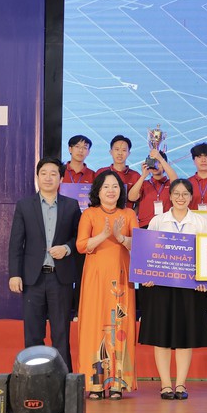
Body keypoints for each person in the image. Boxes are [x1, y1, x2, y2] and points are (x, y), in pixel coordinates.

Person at [138, 179, 207, 400]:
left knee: (185, 335)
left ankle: (180, 384)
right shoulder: (158, 221)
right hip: (161, 287)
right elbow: (148, 254)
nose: (181, 198)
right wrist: (146, 277)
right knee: (161, 335)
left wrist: (205, 279)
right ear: (170, 196)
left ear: (191, 197)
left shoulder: (200, 222)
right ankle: (165, 384)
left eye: (185, 194)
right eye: (176, 193)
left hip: (190, 287)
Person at [8, 158, 81, 371]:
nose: (48, 177)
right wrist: (14, 274)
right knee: (33, 333)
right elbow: (16, 242)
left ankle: (64, 380)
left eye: (53, 173)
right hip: (33, 278)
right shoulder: (24, 205)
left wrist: (66, 248)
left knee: (61, 333)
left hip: (61, 278)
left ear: (61, 178)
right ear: (37, 177)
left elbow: (79, 238)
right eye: (44, 173)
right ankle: (34, 378)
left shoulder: (71, 206)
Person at [76, 170, 139, 400]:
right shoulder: (89, 214)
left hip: (121, 278)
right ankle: (95, 383)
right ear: (98, 191)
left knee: (119, 325)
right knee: (95, 325)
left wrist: (120, 237)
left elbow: (138, 244)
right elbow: (81, 246)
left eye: (115, 186)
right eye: (106, 187)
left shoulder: (128, 214)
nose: (111, 191)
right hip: (95, 278)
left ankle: (117, 383)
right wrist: (104, 234)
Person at [61, 134, 95, 320]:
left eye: (85, 147)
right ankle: (61, 311)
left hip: (86, 227)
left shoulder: (93, 175)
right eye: (77, 147)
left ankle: (79, 311)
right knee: (63, 271)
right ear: (70, 149)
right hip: (62, 225)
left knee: (82, 272)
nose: (81, 150)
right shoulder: (60, 172)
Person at [128, 149, 178, 228]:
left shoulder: (170, 183)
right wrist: (143, 175)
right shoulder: (144, 184)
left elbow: (176, 181)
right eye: (153, 162)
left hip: (166, 225)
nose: (156, 164)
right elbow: (131, 197)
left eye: (158, 162)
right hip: (145, 226)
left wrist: (160, 158)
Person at [95, 135, 141, 210]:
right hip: (103, 214)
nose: (120, 153)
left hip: (126, 215)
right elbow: (94, 195)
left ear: (129, 153)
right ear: (111, 152)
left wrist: (132, 215)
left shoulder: (135, 176)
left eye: (124, 150)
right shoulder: (101, 172)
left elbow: (139, 203)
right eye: (117, 149)